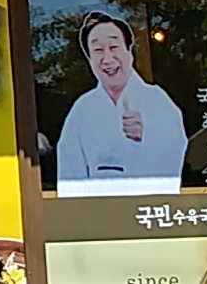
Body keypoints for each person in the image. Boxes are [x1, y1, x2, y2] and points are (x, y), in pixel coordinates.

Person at [56, 12, 187, 195]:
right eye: (98, 50)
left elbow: (176, 150)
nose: (107, 59)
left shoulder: (157, 101)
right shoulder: (81, 110)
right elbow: (70, 177)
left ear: (129, 52)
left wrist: (148, 135)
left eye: (114, 47)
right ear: (89, 59)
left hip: (148, 208)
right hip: (99, 210)